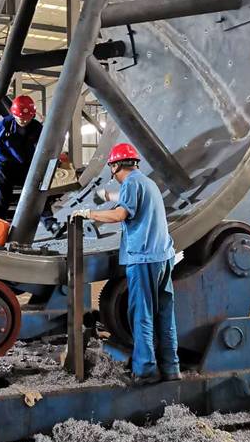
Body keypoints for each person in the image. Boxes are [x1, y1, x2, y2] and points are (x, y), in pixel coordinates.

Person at [72, 143, 181, 385]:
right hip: (163, 257)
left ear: (115, 166)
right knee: (165, 314)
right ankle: (171, 368)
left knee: (142, 315)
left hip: (143, 259)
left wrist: (88, 214)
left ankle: (145, 371)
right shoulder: (147, 182)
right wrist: (107, 196)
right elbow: (127, 201)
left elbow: (120, 214)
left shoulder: (130, 183)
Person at [0, 95, 57, 232]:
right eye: (20, 117)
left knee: (38, 192)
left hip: (26, 166)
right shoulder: (5, 124)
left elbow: (46, 148)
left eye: (27, 118)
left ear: (32, 115)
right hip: (4, 166)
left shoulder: (37, 127)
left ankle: (51, 224)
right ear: (14, 114)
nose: (23, 120)